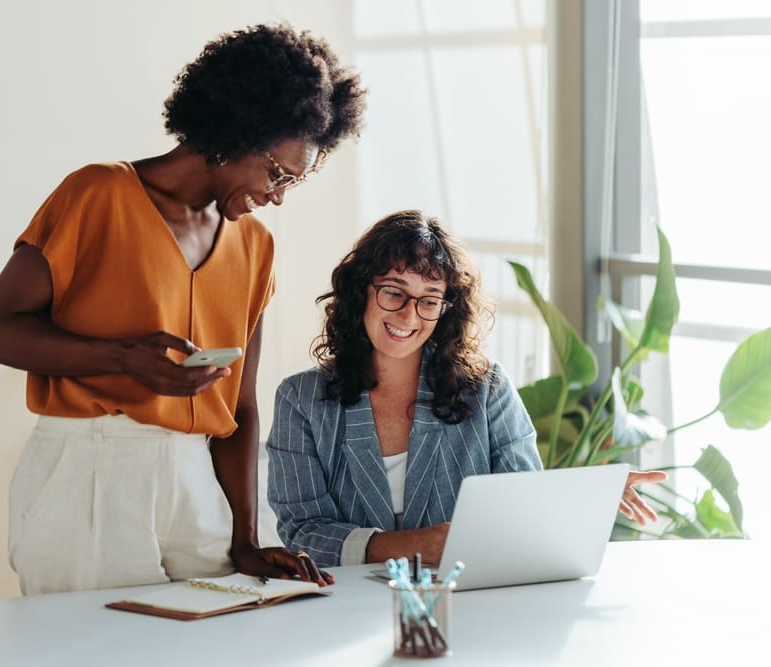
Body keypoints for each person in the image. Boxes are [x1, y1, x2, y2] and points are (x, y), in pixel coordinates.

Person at [0, 23, 367, 594]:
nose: (278, 195)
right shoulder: (97, 194)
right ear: (236, 133)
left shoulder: (255, 246)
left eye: (292, 183)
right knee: (88, 650)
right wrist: (120, 358)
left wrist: (246, 539)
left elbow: (241, 407)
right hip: (91, 469)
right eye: (277, 173)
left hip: (196, 480)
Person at [266, 210, 666, 567]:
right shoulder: (301, 400)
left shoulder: (487, 389)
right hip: (343, 611)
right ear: (361, 291)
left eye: (429, 300)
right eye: (393, 291)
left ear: (446, 309)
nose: (409, 313)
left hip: (467, 600)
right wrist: (411, 544)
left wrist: (587, 494)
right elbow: (303, 532)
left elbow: (520, 504)